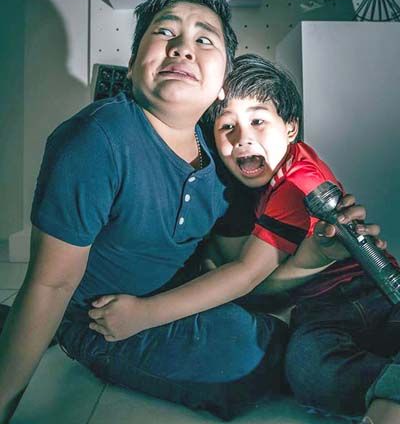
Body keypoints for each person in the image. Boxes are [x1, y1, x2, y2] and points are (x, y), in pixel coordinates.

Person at [0, 0, 368, 423]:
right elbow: (50, 285)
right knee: (251, 354)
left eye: (204, 38)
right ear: (133, 63)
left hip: (176, 296)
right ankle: (53, 332)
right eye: (164, 31)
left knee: (277, 331)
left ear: (222, 83)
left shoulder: (224, 153)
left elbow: (242, 273)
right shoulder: (94, 141)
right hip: (102, 319)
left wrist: (314, 258)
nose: (182, 47)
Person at [87, 53, 399, 424]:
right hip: (317, 311)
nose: (242, 138)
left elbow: (247, 275)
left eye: (258, 121)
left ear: (290, 128)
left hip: (371, 290)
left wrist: (143, 314)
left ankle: (390, 402)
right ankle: (386, 386)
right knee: (307, 367)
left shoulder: (298, 182)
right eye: (227, 126)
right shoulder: (255, 179)